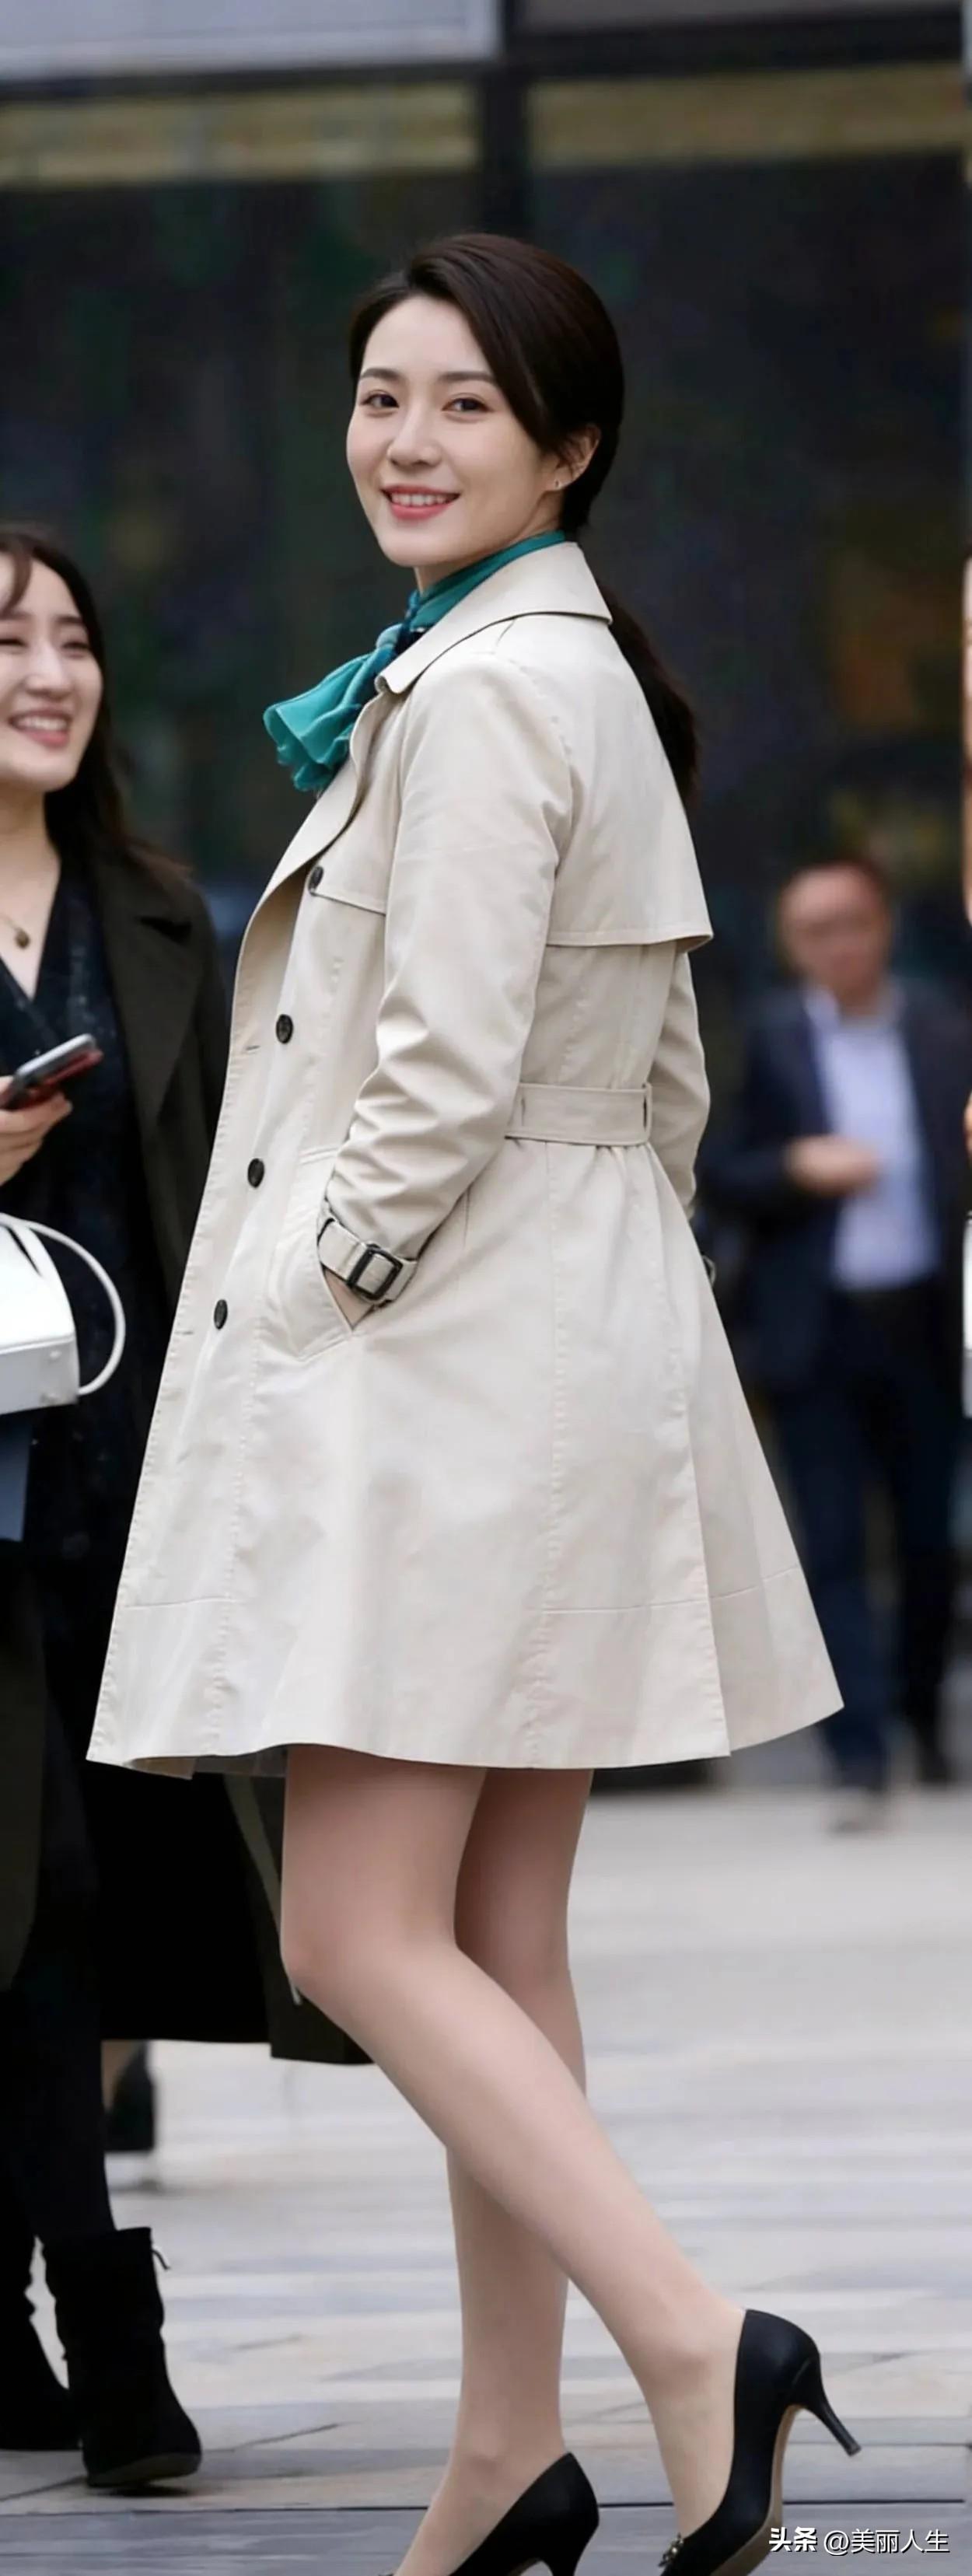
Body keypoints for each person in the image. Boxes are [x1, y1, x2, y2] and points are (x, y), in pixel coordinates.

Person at [89, 237, 856, 2576]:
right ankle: (500, 2454)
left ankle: (691, 2337)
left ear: (566, 444)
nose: (402, 441)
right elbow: (655, 1076)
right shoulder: (551, 666)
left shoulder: (498, 686)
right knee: (497, 1947)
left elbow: (421, 1086)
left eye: (460, 404)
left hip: (433, 1363)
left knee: (352, 1933)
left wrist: (310, 1305)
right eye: (377, 395)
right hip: (541, 1346)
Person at [0, 529, 358, 2490]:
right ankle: (110, 2326)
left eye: (73, 640)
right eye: (7, 640)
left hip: (133, 1491)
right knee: (37, 1889)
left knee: (98, 1895)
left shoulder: (156, 911)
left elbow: (236, 1183)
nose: (49, 672)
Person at [701, 854, 972, 1823]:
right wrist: (795, 1166)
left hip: (925, 1317)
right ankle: (856, 1753)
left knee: (927, 1539)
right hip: (815, 1325)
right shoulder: (768, 1040)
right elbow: (717, 1167)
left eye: (851, 922)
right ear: (790, 945)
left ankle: (921, 1721)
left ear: (882, 925)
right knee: (830, 1541)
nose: (838, 945)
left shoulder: (942, 1030)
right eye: (814, 931)